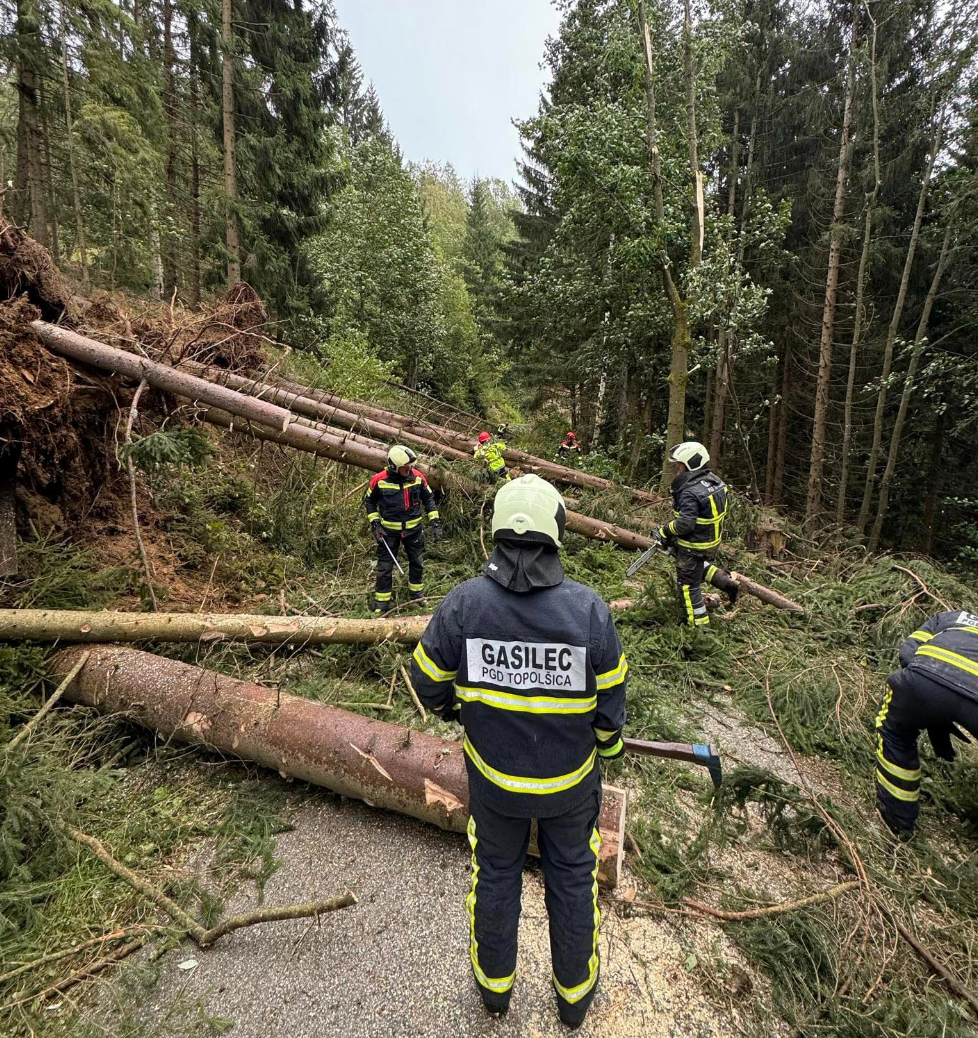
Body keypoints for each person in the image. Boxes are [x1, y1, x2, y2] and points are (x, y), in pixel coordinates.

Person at [410, 475, 627, 1029]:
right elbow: (609, 710)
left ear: (498, 531)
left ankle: (495, 993)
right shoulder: (588, 612)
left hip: (495, 785)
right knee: (573, 881)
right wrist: (607, 745)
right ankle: (574, 1001)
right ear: (556, 531)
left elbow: (426, 682)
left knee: (497, 875)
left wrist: (460, 710)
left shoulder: (465, 604)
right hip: (571, 788)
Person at [875, 609, 978, 837]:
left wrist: (930, 705)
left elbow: (909, 652)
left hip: (923, 681)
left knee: (895, 732)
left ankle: (898, 821)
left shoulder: (952, 617)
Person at [654, 441, 738, 628]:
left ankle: (699, 628)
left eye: (680, 466)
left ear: (690, 465)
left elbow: (685, 524)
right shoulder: (714, 482)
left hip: (693, 546)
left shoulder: (690, 492)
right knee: (698, 566)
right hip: (709, 542)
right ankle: (726, 582)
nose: (678, 471)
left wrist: (665, 530)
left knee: (689, 588)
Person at [364, 445, 442, 614]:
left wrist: (435, 521)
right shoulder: (380, 480)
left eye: (411, 467)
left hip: (413, 530)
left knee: (417, 562)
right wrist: (375, 523)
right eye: (406, 468)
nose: (410, 471)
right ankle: (382, 602)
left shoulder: (418, 478)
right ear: (394, 466)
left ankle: (416, 595)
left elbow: (428, 499)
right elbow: (369, 501)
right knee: (385, 567)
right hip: (388, 532)